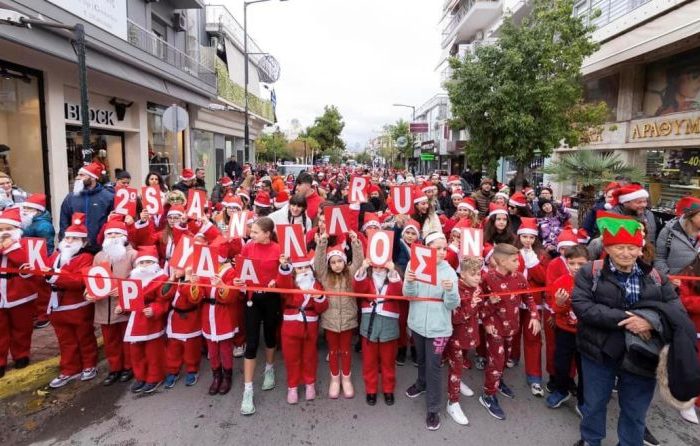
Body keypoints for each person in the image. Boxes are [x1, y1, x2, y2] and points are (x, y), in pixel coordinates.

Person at [572, 213, 679, 446]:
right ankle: (591, 440)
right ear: (608, 248)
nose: (626, 253)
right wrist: (628, 318)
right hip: (599, 351)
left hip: (643, 353)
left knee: (635, 408)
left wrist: (651, 322)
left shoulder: (656, 277)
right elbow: (582, 306)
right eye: (619, 247)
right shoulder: (591, 272)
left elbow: (675, 309)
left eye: (632, 248)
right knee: (594, 403)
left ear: (641, 249)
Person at [404, 231, 460, 431]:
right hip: (418, 324)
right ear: (427, 249)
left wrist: (450, 291)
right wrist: (409, 281)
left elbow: (453, 304)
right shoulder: (414, 265)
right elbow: (408, 296)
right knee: (421, 359)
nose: (443, 253)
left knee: (434, 365)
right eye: (438, 249)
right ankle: (421, 383)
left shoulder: (449, 272)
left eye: (445, 248)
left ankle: (433, 407)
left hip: (439, 329)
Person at [479, 243, 541, 421]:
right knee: (496, 361)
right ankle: (488, 395)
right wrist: (487, 321)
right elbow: (478, 304)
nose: (518, 263)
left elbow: (529, 297)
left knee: (505, 358)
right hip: (495, 328)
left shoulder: (520, 277)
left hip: (512, 327)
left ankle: (498, 381)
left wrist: (535, 316)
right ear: (502, 261)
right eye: (514, 260)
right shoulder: (487, 278)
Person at [232, 217, 281, 416]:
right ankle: (248, 390)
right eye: (251, 232)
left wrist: (276, 281)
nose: (251, 235)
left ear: (267, 234)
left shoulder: (278, 249)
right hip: (252, 299)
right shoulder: (248, 248)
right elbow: (241, 272)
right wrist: (238, 280)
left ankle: (269, 368)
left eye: (255, 232)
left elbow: (285, 273)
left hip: (271, 299)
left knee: (270, 336)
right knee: (251, 343)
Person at [45, 215, 98, 388]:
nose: (69, 241)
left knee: (84, 337)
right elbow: (44, 274)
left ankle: (89, 364)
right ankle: (69, 369)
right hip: (56, 307)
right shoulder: (55, 256)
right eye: (67, 237)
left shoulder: (85, 258)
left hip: (77, 306)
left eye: (74, 238)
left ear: (83, 242)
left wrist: (53, 277)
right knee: (65, 341)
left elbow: (78, 280)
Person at [315, 230, 364, 399]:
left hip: (348, 321)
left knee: (346, 351)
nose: (337, 265)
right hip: (330, 321)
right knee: (333, 351)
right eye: (333, 262)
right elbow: (318, 263)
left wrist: (355, 241)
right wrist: (322, 243)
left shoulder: (350, 274)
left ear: (344, 262)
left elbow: (358, 261)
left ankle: (346, 378)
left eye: (339, 261)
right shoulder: (324, 276)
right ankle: (334, 379)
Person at [87, 220, 137, 386]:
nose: (113, 236)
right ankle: (114, 368)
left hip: (122, 305)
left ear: (124, 236)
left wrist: (124, 291)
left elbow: (137, 279)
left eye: (116, 233)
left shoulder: (132, 255)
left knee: (126, 339)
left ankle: (128, 367)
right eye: (110, 234)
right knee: (110, 341)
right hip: (103, 306)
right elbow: (92, 278)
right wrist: (88, 292)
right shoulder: (99, 256)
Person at [115, 246, 170, 394]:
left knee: (153, 352)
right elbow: (127, 298)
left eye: (148, 262)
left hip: (150, 320)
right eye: (141, 263)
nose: (144, 266)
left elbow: (163, 301)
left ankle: (154, 377)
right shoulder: (133, 278)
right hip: (135, 320)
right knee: (136, 352)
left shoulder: (161, 279)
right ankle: (141, 376)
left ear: (155, 264)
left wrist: (154, 309)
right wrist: (122, 306)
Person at [276, 251, 328, 404]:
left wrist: (319, 297)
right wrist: (284, 266)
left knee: (309, 357)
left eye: (306, 267)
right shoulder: (290, 283)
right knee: (291, 358)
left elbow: (322, 308)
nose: (304, 270)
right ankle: (292, 386)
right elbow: (283, 284)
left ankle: (309, 383)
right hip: (290, 328)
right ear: (294, 271)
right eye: (299, 268)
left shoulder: (317, 285)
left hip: (310, 327)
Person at [353, 258, 403, 407]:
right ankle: (371, 389)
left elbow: (398, 291)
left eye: (382, 265)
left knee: (388, 360)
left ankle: (388, 389)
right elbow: (358, 289)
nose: (379, 268)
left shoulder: (394, 277)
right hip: (370, 322)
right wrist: (362, 268)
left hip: (388, 323)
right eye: (376, 265)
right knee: (369, 361)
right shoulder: (367, 278)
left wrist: (393, 271)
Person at [184, 261, 239, 396]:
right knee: (212, 350)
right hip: (208, 314)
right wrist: (194, 283)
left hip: (224, 314)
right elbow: (196, 297)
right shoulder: (204, 271)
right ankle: (216, 376)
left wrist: (222, 286)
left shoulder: (231, 271)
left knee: (225, 349)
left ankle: (227, 376)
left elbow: (233, 296)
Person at [545, 245, 588, 412]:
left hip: (585, 333)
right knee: (561, 364)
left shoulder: (594, 282)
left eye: (581, 264)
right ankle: (561, 390)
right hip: (564, 331)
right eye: (572, 263)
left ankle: (584, 400)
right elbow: (555, 308)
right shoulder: (561, 282)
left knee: (584, 367)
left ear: (589, 263)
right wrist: (560, 304)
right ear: (567, 263)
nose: (576, 268)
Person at [445, 256, 483, 426]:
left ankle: (458, 383)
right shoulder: (455, 290)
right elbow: (456, 318)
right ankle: (452, 402)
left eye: (479, 273)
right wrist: (473, 304)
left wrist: (490, 302)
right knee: (456, 367)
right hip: (456, 337)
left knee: (461, 365)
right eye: (474, 274)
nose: (478, 277)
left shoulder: (476, 288)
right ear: (462, 275)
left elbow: (480, 311)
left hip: (470, 334)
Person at [0, 207, 34, 378]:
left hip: (20, 294)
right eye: (1, 230)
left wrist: (9, 247)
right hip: (0, 296)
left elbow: (24, 262)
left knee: (22, 328)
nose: (4, 233)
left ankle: (21, 355)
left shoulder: (25, 244)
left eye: (8, 229)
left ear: (17, 230)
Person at [162, 266, 202, 390]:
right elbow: (164, 294)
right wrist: (172, 278)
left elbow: (194, 298)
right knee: (173, 349)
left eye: (178, 269)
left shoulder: (195, 280)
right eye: (174, 268)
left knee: (191, 348)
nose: (175, 270)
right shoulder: (175, 280)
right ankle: (173, 371)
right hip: (175, 319)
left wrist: (188, 280)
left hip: (190, 319)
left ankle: (192, 370)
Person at [21, 194, 56, 329]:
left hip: (39, 260)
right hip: (29, 259)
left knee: (41, 289)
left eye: (28, 208)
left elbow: (47, 246)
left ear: (37, 210)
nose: (24, 210)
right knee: (32, 288)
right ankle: (37, 313)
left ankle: (44, 315)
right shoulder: (29, 221)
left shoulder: (43, 226)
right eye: (24, 207)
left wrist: (43, 261)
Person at [59, 162, 114, 245]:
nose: (77, 177)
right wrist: (63, 242)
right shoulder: (70, 197)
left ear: (92, 177)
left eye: (82, 175)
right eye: (78, 175)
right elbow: (64, 223)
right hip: (75, 245)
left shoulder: (108, 197)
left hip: (100, 247)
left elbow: (113, 222)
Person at [654, 196, 700, 277]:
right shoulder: (669, 231)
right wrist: (668, 276)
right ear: (691, 216)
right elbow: (659, 258)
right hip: (674, 284)